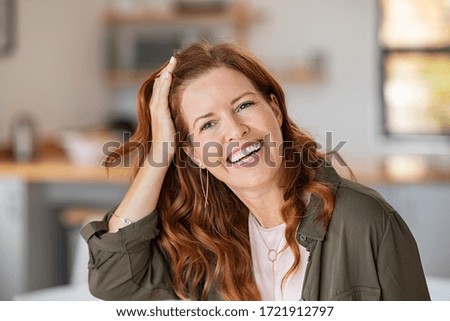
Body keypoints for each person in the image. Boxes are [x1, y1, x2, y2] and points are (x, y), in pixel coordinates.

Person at [81, 42, 430, 301]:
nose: (235, 131)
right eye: (208, 125)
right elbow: (113, 281)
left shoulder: (365, 220)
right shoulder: (205, 243)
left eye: (244, 105)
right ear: (192, 154)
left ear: (274, 109)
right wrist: (160, 152)